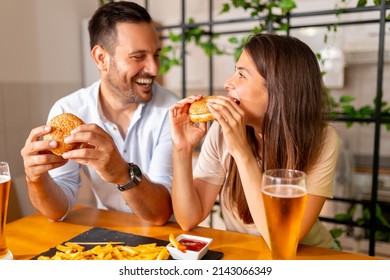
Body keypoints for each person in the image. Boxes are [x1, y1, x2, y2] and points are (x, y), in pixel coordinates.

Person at [169, 33, 340, 249]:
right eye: (235, 72)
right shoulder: (222, 130)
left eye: (241, 75)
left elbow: (282, 239)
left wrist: (241, 153)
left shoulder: (323, 139)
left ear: (280, 91)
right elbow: (187, 219)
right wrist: (182, 149)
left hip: (310, 258)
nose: (227, 83)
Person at [20, 1, 178, 225]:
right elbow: (56, 211)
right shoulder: (69, 110)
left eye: (155, 55)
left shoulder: (172, 111)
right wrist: (35, 178)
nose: (153, 69)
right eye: (138, 56)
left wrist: (122, 173)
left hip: (165, 236)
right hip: (107, 234)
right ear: (101, 58)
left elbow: (161, 213)